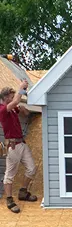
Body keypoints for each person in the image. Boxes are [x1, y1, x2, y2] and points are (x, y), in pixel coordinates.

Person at [0, 79, 37, 214]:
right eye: (10, 97)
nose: (13, 99)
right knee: (9, 174)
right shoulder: (2, 109)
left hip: (22, 143)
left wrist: (23, 110)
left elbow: (25, 113)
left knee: (31, 169)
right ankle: (9, 199)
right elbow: (15, 101)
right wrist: (21, 88)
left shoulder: (12, 109)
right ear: (5, 98)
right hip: (13, 146)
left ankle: (23, 192)